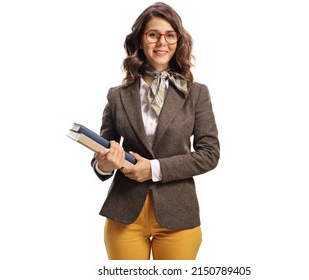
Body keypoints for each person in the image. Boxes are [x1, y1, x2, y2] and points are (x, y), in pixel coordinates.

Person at [91, 2, 220, 260]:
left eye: (170, 35)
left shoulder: (196, 94)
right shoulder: (118, 96)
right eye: (153, 34)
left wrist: (153, 169)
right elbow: (103, 151)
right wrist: (104, 164)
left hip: (178, 215)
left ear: (178, 41)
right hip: (124, 214)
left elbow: (209, 154)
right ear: (140, 40)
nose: (162, 42)